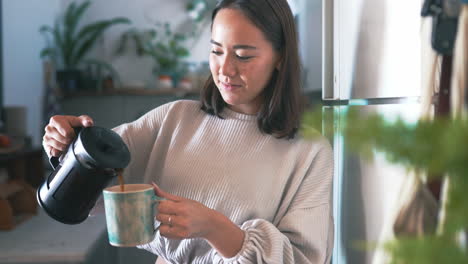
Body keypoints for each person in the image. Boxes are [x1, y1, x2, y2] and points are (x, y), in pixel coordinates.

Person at [42, 0, 334, 263]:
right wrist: (68, 144)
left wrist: (214, 227)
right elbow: (87, 188)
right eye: (216, 51)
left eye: (243, 56)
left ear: (281, 57)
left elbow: (302, 258)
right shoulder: (175, 119)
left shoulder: (309, 152)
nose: (225, 70)